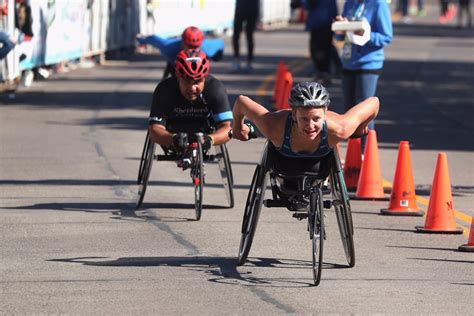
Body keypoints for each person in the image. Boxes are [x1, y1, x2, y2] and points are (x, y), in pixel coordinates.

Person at [231, 82, 379, 173]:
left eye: (316, 119)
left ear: (325, 113)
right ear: (294, 114)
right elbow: (241, 102)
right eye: (304, 119)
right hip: (284, 162)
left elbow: (374, 102)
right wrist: (237, 127)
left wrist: (361, 127)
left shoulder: (341, 128)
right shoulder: (274, 126)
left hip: (321, 163)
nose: (310, 125)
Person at [334, 0, 392, 151]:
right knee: (349, 109)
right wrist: (340, 28)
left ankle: (367, 153)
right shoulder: (350, 3)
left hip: (369, 63)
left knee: (364, 109)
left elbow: (386, 36)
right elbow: (343, 37)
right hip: (348, 61)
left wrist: (366, 34)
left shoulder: (378, 4)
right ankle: (354, 154)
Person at [148, 49, 233, 152]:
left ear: (205, 78)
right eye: (187, 81)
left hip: (204, 130)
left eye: (197, 82)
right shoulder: (165, 89)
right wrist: (172, 139)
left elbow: (227, 128)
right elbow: (154, 129)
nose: (192, 88)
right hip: (173, 131)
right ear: (178, 77)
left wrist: (211, 139)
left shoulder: (215, 89)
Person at [137, 26, 224, 79]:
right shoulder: (169, 47)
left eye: (195, 47)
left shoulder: (208, 47)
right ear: (182, 43)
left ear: (201, 44)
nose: (192, 51)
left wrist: (217, 56)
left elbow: (221, 43)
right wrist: (141, 40)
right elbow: (154, 39)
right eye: (189, 46)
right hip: (174, 64)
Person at [305, 0, 340, 85]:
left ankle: (324, 73)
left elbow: (309, 5)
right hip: (318, 24)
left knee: (322, 51)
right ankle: (323, 73)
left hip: (324, 24)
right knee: (317, 49)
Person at [231, 0, 260, 72]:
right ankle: (236, 59)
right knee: (236, 35)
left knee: (249, 35)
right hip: (241, 7)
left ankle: (249, 62)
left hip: (252, 7)